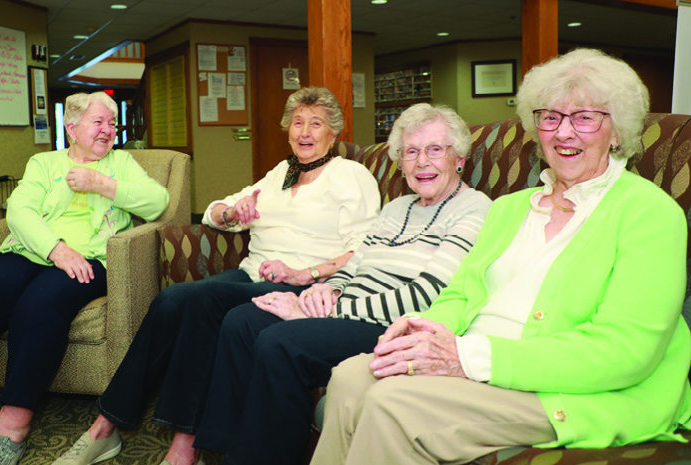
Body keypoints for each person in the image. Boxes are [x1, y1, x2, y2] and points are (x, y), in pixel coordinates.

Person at [311, 48, 691, 465]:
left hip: (572, 389)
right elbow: (459, 294)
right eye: (550, 117)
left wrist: (467, 358)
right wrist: (426, 333)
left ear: (617, 131)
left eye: (584, 117)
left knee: (392, 402)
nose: (564, 133)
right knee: (349, 377)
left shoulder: (650, 213)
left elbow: (625, 351)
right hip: (480, 363)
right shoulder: (511, 207)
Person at [52, 86, 381, 465]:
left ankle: (176, 445)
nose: (304, 131)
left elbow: (364, 248)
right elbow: (211, 213)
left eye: (316, 124)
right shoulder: (280, 172)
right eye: (297, 123)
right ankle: (109, 424)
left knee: (203, 303)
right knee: (171, 300)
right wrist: (231, 212)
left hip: (299, 285)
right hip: (250, 273)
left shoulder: (350, 176)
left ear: (333, 133)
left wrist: (305, 272)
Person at [191, 103, 491, 465]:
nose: (421, 162)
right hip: (346, 309)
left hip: (389, 326)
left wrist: (327, 311)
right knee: (242, 321)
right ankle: (221, 448)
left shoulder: (475, 209)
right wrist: (327, 289)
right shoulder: (399, 207)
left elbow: (426, 295)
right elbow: (358, 260)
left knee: (279, 341)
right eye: (410, 152)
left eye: (434, 150)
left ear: (458, 158)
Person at [0, 91, 170, 465]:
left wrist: (101, 184)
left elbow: (157, 202)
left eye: (112, 123)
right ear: (71, 127)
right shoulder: (44, 162)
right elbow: (19, 211)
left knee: (37, 309)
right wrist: (55, 249)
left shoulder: (122, 162)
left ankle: (11, 429)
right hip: (35, 249)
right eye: (98, 122)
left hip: (90, 258)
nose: (108, 130)